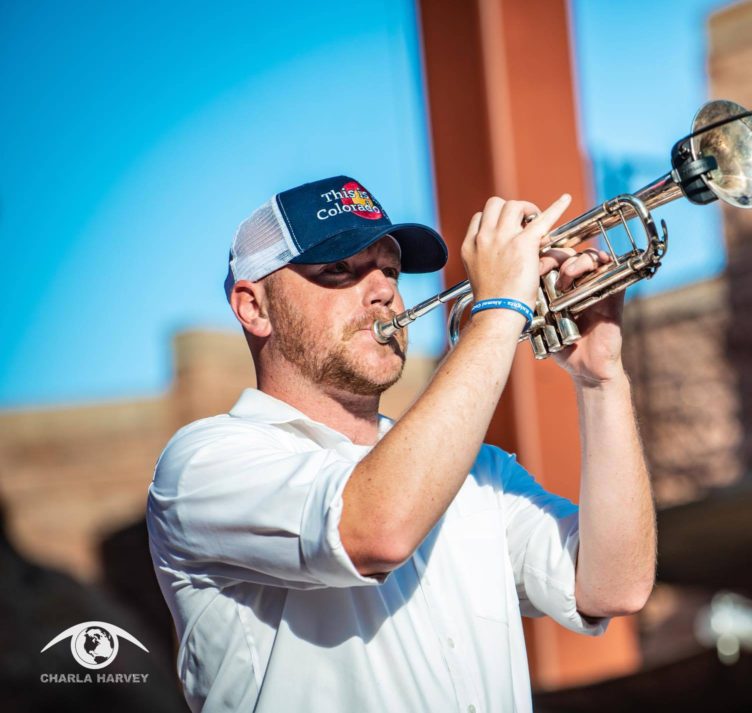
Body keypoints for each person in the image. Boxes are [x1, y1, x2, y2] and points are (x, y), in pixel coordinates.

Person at [146, 175, 656, 712]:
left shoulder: (476, 471)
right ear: (254, 308)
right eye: (339, 270)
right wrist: (500, 309)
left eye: (389, 270)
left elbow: (614, 587)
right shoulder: (204, 463)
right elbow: (376, 530)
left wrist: (601, 379)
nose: (384, 291)